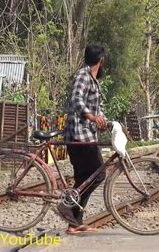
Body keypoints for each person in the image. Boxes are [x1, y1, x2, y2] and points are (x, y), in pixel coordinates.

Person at [59, 44, 107, 234]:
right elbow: (76, 100)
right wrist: (92, 117)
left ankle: (74, 222)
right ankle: (69, 210)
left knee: (83, 178)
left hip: (87, 134)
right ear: (101, 60)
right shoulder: (83, 76)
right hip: (79, 135)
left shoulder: (93, 80)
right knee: (98, 173)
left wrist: (103, 120)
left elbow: (95, 107)